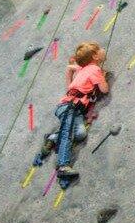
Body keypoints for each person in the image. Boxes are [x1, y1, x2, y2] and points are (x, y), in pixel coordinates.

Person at [34, 42, 107, 184]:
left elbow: (69, 67)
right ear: (95, 56)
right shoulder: (93, 69)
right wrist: (103, 78)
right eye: (100, 49)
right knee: (67, 133)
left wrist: (70, 85)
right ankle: (62, 166)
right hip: (70, 107)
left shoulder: (84, 68)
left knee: (80, 134)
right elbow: (104, 90)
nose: (103, 50)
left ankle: (53, 138)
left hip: (72, 108)